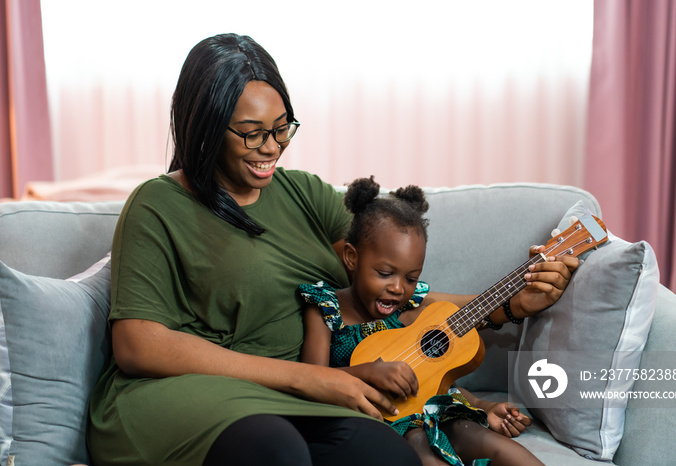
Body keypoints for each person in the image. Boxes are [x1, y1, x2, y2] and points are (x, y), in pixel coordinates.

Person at [86, 33, 576, 466]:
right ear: (207, 125)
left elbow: (385, 284)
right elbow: (137, 344)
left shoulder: (303, 194)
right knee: (274, 449)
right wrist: (310, 379)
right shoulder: (157, 205)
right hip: (179, 394)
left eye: (283, 128)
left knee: (387, 455)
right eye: (253, 133)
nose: (272, 147)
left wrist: (507, 304)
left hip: (294, 396)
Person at [299, 177, 552, 466]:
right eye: (384, 273)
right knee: (419, 446)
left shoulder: (410, 307)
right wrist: (367, 372)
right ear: (351, 257)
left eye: (411, 278)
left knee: (494, 445)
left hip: (436, 411)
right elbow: (311, 379)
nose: (398, 288)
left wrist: (484, 406)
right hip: (383, 423)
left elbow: (435, 381)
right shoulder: (324, 308)